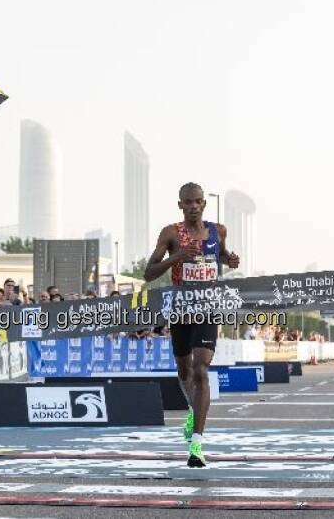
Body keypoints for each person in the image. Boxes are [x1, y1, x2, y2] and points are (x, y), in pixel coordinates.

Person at [144, 182, 239, 467]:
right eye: (189, 202)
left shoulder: (217, 230)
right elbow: (148, 273)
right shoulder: (171, 233)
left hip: (208, 307)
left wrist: (229, 258)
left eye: (199, 201)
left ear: (204, 204)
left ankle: (196, 444)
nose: (195, 206)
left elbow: (220, 254)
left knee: (201, 369)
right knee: (184, 370)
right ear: (181, 205)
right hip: (180, 310)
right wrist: (176, 257)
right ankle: (192, 409)